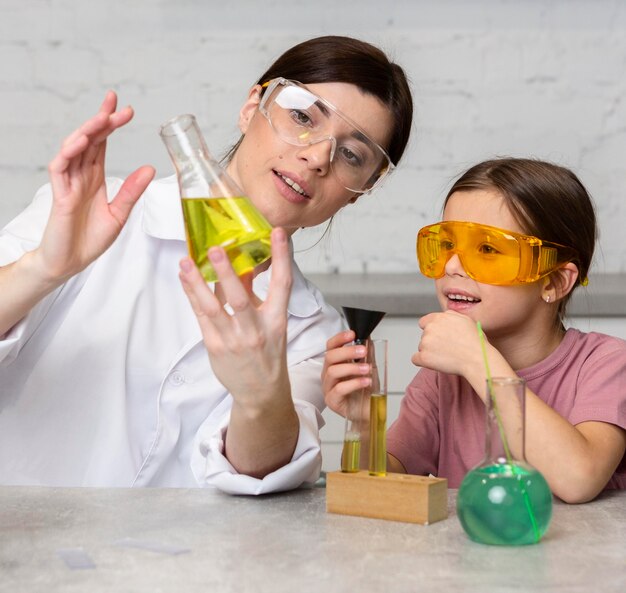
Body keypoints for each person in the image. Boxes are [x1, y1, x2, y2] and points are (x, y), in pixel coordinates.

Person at [0, 36, 413, 493]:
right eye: (302, 117)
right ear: (251, 105)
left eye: (353, 155)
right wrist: (43, 269)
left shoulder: (313, 330)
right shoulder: (92, 216)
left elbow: (260, 470)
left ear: (363, 191)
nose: (317, 157)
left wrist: (260, 395)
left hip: (177, 562)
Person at [323, 158, 626, 503]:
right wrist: (363, 425)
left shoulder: (606, 363)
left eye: (486, 249)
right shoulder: (443, 379)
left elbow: (578, 479)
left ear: (554, 282)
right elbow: (373, 490)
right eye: (448, 245)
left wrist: (477, 361)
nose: (452, 266)